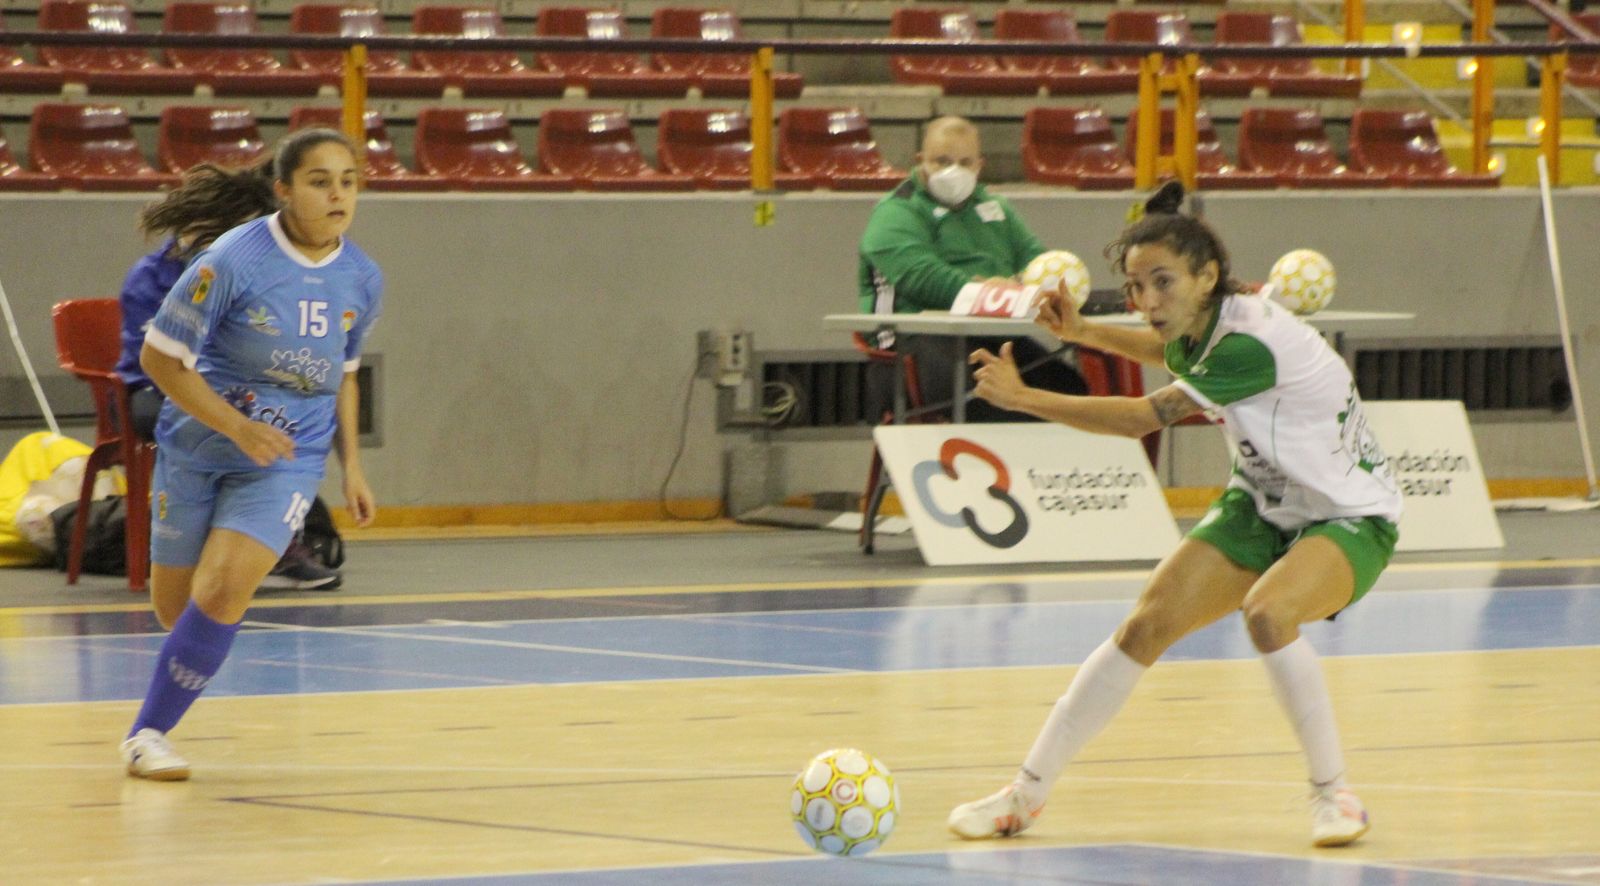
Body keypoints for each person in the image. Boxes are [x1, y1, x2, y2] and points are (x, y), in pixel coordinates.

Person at [946, 182, 1401, 848]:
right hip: (1263, 503)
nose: (1147, 302)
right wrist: (1081, 332)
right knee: (1144, 628)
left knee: (1269, 613)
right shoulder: (1204, 322)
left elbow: (1140, 417)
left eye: (1162, 282)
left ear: (1207, 275)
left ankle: (1336, 796)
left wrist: (1023, 398)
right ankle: (1023, 795)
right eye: (1134, 287)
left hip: (1349, 516)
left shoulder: (1252, 342)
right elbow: (1169, 351)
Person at [119, 128, 382, 781]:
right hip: (200, 438)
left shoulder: (363, 278)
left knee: (226, 587)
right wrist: (237, 425)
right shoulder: (232, 259)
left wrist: (352, 466)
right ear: (285, 190)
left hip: (288, 454)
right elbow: (159, 358)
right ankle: (178, 686)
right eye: (321, 181)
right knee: (175, 606)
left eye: (348, 181)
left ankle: (146, 734)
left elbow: (344, 373)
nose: (337, 195)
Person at [115, 162, 341, 590]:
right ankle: (194, 533)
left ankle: (269, 537)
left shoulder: (255, 270)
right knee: (219, 420)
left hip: (233, 388)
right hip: (153, 388)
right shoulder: (153, 276)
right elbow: (160, 358)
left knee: (280, 419)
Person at [857, 116, 1087, 422]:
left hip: (992, 338)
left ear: (979, 166)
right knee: (993, 405)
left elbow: (1036, 262)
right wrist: (994, 293)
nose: (954, 171)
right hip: (910, 346)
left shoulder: (996, 208)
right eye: (942, 161)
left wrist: (1044, 286)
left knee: (1073, 395)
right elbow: (925, 280)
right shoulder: (895, 212)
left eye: (965, 162)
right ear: (920, 161)